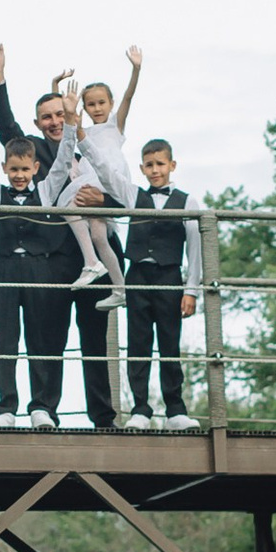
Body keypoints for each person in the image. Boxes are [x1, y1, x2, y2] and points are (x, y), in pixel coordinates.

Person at [0, 41, 117, 430]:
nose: (54, 121)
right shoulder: (34, 154)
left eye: (60, 114)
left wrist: (103, 198)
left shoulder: (94, 147)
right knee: (39, 340)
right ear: (38, 124)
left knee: (93, 342)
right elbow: (5, 130)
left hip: (90, 261)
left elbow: (122, 193)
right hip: (46, 263)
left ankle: (102, 419)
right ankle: (30, 407)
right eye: (47, 117)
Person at [0, 73, 82, 425]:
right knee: (6, 338)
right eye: (13, 170)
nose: (19, 176)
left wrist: (71, 118)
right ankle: (6, 407)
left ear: (35, 168)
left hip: (40, 269)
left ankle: (43, 407)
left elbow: (65, 159)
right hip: (4, 270)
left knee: (43, 338)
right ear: (5, 169)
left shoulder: (46, 191)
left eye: (24, 170)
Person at [49, 52, 143, 298]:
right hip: (91, 176)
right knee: (99, 235)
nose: (97, 108)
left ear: (110, 103)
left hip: (108, 174)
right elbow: (63, 115)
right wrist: (55, 86)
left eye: (102, 103)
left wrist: (136, 69)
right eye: (91, 104)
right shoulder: (84, 130)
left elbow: (129, 96)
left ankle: (91, 261)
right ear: (85, 107)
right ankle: (119, 288)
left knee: (68, 204)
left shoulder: (115, 126)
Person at [124, 136, 200, 424]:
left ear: (172, 165)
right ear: (142, 168)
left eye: (160, 164)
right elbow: (107, 171)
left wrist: (191, 290)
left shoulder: (187, 200)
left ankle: (176, 410)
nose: (155, 170)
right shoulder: (133, 196)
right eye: (149, 165)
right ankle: (140, 409)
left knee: (170, 343)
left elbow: (194, 249)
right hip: (138, 276)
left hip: (169, 277)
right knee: (138, 343)